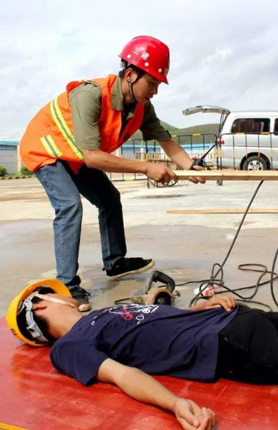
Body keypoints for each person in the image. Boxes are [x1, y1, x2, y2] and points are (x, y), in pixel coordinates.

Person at [7, 280, 278, 430]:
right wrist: (175, 404)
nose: (66, 293)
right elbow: (120, 374)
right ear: (40, 305)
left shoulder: (101, 314)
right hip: (232, 348)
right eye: (54, 292)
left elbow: (158, 319)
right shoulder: (69, 348)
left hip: (234, 318)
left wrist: (200, 306)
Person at [19, 36, 205, 312]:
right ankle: (67, 283)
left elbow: (166, 141)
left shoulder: (142, 108)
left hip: (76, 156)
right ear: (130, 75)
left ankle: (115, 262)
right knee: (69, 206)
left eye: (158, 84)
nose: (155, 91)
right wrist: (146, 167)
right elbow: (93, 158)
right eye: (151, 83)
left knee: (109, 199)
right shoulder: (90, 95)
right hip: (46, 150)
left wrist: (189, 167)